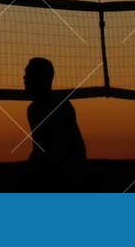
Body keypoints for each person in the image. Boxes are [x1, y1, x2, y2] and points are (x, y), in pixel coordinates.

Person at [23, 57, 87, 189]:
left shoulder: (41, 108)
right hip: (68, 170)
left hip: (65, 174)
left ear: (40, 79)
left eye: (28, 75)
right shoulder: (45, 106)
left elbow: (50, 148)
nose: (24, 78)